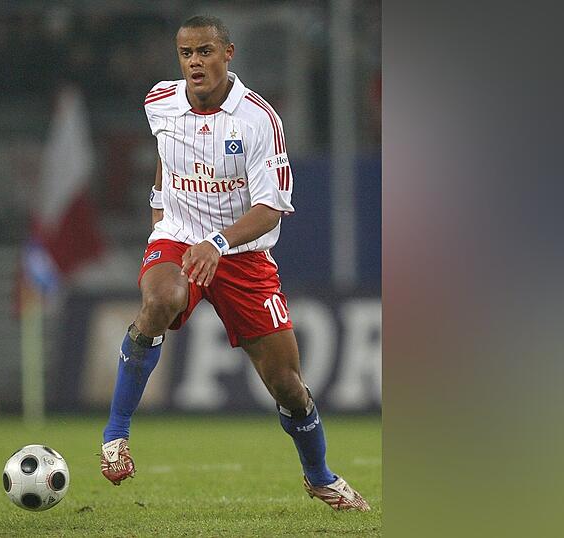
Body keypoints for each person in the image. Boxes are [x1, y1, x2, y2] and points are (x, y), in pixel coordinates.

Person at [99, 15, 370, 512]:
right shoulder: (159, 101)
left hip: (243, 255)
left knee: (288, 386)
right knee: (160, 298)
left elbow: (272, 206)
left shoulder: (258, 119)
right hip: (179, 239)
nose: (194, 63)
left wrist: (220, 242)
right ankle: (115, 434)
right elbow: (166, 153)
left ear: (229, 53)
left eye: (205, 52)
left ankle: (320, 476)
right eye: (186, 54)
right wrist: (161, 208)